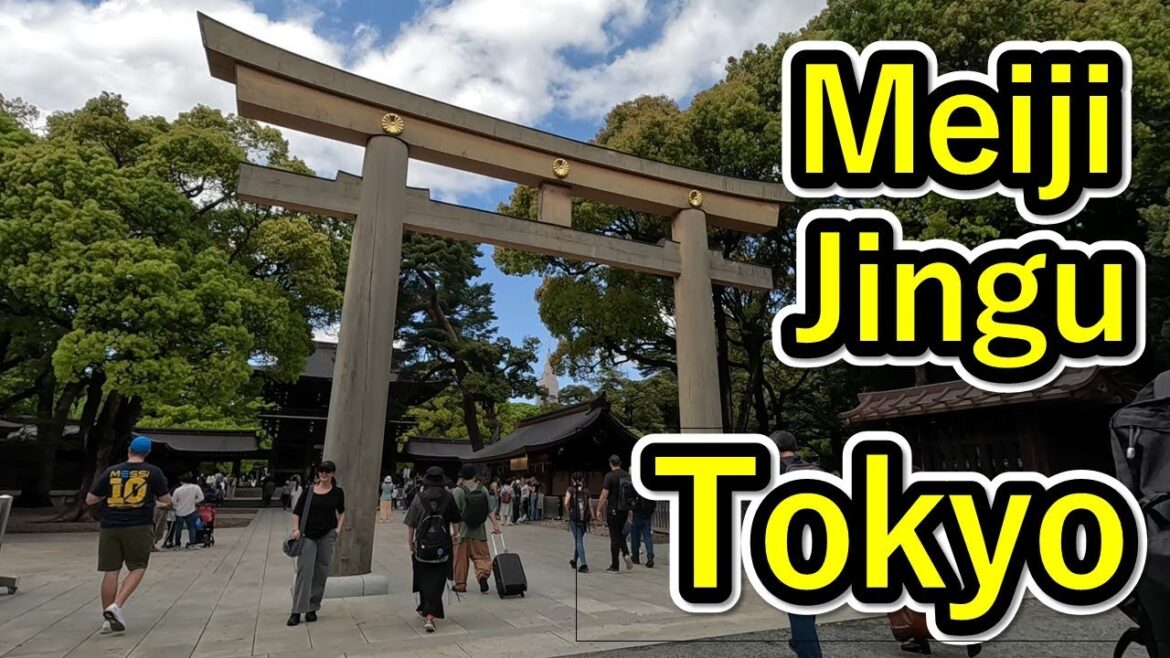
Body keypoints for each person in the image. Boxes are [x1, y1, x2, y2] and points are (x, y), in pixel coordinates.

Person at [85, 436, 171, 634]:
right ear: (147, 453)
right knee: (138, 566)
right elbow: (165, 499)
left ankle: (106, 619)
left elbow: (90, 499)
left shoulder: (112, 471)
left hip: (110, 525)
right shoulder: (153, 472)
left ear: (129, 450)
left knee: (110, 570)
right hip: (138, 525)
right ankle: (116, 606)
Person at [769, 430, 824, 658]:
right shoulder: (815, 470)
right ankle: (801, 640)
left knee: (797, 607)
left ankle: (808, 650)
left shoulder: (775, 474)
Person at [404, 466, 462, 633]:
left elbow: (411, 523)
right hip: (442, 545)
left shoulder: (419, 498)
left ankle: (425, 609)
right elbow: (455, 521)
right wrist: (455, 535)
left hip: (422, 545)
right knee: (438, 579)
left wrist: (410, 542)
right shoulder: (448, 497)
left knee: (423, 577)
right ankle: (430, 615)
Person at [288, 461, 346, 626]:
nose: (323, 474)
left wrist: (338, 530)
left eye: (327, 471)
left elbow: (342, 512)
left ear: (333, 473)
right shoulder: (309, 491)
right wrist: (295, 529)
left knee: (321, 572)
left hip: (326, 535)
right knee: (304, 571)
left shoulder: (338, 493)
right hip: (308, 536)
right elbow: (296, 512)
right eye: (321, 470)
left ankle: (312, 607)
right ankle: (297, 610)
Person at [451, 464, 502, 593]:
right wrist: (496, 525)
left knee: (460, 561)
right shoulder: (483, 489)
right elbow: (490, 510)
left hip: (463, 532)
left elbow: (454, 514)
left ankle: (460, 585)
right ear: (474, 476)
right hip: (480, 532)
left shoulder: (458, 491)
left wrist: (454, 531)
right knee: (482, 557)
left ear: (462, 476)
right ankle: (482, 576)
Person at [596, 454, 633, 572]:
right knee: (620, 533)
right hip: (624, 509)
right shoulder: (627, 476)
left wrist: (599, 509)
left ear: (610, 463)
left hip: (613, 509)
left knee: (614, 536)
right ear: (620, 463)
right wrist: (630, 511)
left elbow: (604, 494)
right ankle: (626, 553)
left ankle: (615, 565)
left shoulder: (609, 476)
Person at [166, 474, 204, 549]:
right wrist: (193, 502)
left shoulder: (178, 490)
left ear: (181, 481)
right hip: (191, 510)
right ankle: (192, 543)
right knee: (191, 528)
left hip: (179, 511)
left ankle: (177, 544)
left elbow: (174, 501)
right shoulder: (195, 487)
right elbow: (201, 498)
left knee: (178, 529)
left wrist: (177, 506)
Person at [564, 471, 590, 573]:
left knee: (578, 541)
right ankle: (574, 561)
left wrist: (569, 510)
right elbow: (590, 505)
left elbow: (566, 502)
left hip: (574, 518)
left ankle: (584, 564)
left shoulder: (570, 489)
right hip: (584, 519)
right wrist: (592, 518)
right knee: (579, 540)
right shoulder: (586, 491)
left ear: (572, 480)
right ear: (582, 480)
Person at [629, 487, 656, 568]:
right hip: (647, 516)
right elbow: (654, 503)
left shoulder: (635, 489)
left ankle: (635, 556)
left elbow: (631, 501)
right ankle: (650, 555)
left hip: (637, 515)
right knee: (647, 536)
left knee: (635, 537)